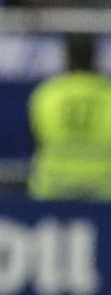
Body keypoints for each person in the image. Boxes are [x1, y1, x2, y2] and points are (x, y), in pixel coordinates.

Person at [28, 34, 111, 199]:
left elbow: (35, 138)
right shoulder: (107, 93)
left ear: (67, 58)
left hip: (52, 186)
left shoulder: (47, 92)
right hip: (102, 188)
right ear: (95, 59)